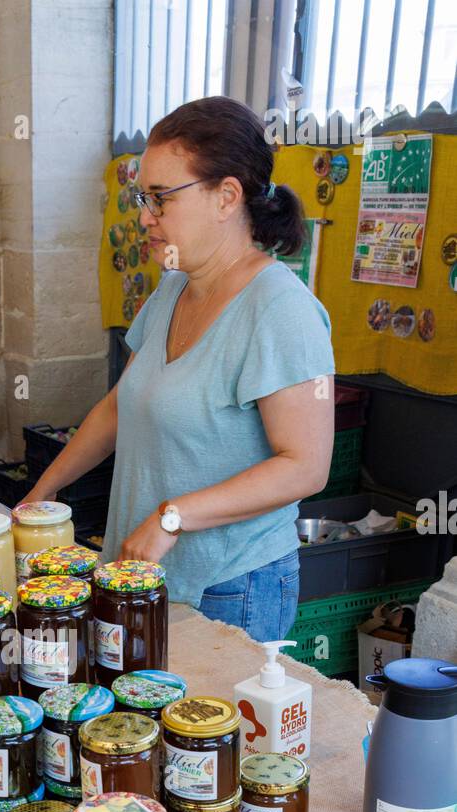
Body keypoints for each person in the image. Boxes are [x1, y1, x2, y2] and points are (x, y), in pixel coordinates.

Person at [22, 97, 335, 641]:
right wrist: (42, 492)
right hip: (139, 574)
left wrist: (173, 516)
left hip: (228, 587)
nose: (146, 216)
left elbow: (305, 467)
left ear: (227, 196)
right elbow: (120, 406)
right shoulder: (172, 288)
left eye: (161, 198)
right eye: (144, 197)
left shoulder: (281, 310)